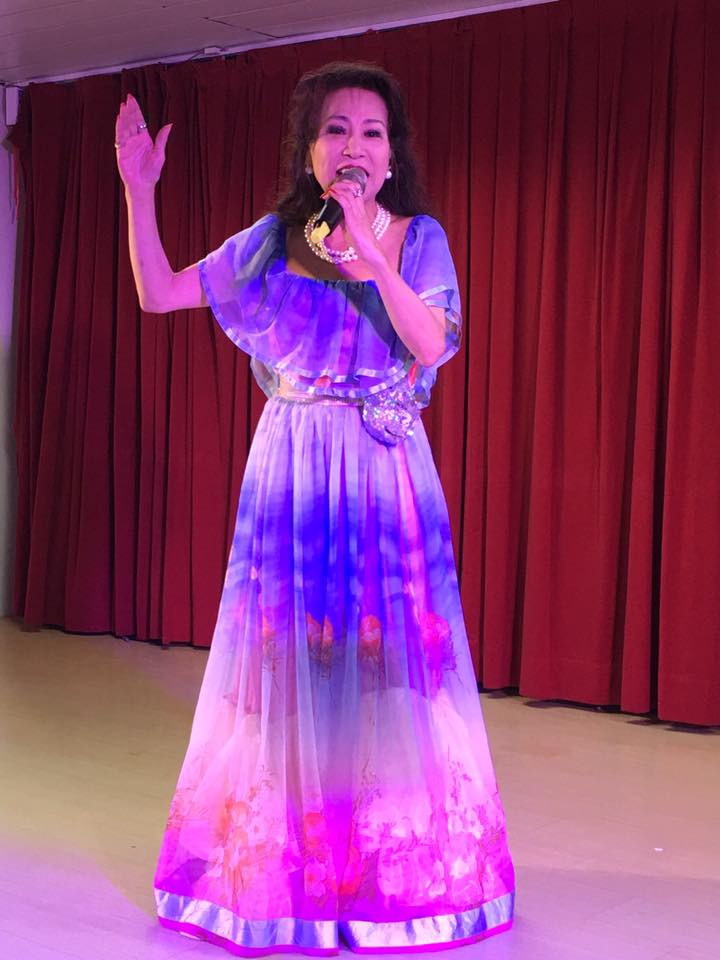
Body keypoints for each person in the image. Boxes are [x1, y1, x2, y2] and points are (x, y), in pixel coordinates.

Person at [115, 60, 515, 957]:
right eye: (336, 129)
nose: (354, 145)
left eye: (372, 131)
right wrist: (138, 191)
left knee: (386, 674)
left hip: (381, 472)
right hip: (293, 475)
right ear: (309, 151)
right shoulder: (271, 242)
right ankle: (288, 863)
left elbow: (433, 343)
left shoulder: (417, 239)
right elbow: (160, 291)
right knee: (290, 674)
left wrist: (369, 250)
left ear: (392, 153)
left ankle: (384, 866)